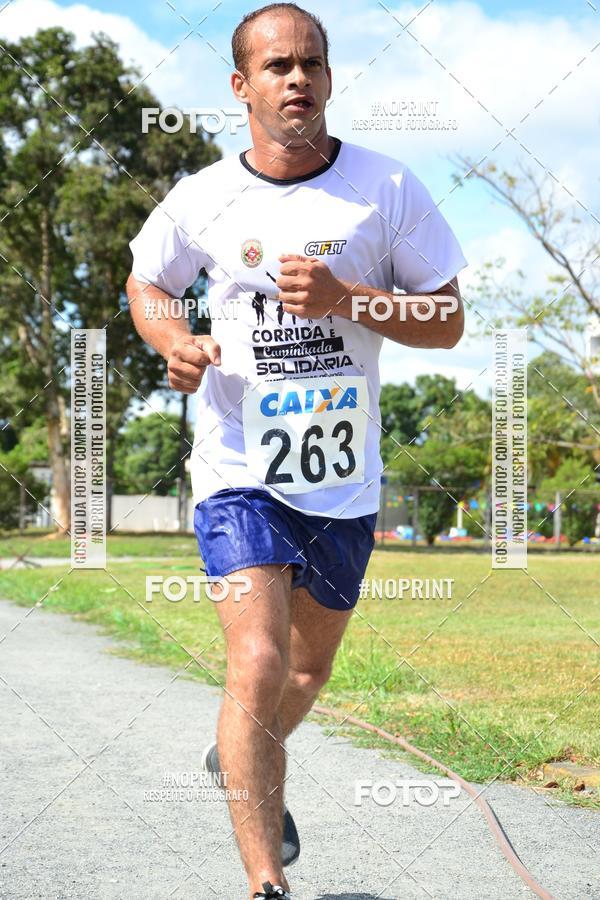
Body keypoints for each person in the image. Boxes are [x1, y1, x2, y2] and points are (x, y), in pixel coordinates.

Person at [127, 4, 467, 897]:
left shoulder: (387, 190)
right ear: (242, 87)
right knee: (260, 662)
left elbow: (448, 319)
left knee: (307, 673)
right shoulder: (202, 196)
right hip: (239, 469)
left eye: (311, 63)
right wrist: (174, 343)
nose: (298, 80)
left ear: (328, 76)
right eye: (277, 66)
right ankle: (264, 882)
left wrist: (351, 297)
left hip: (341, 478)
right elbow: (148, 283)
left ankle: (235, 753)